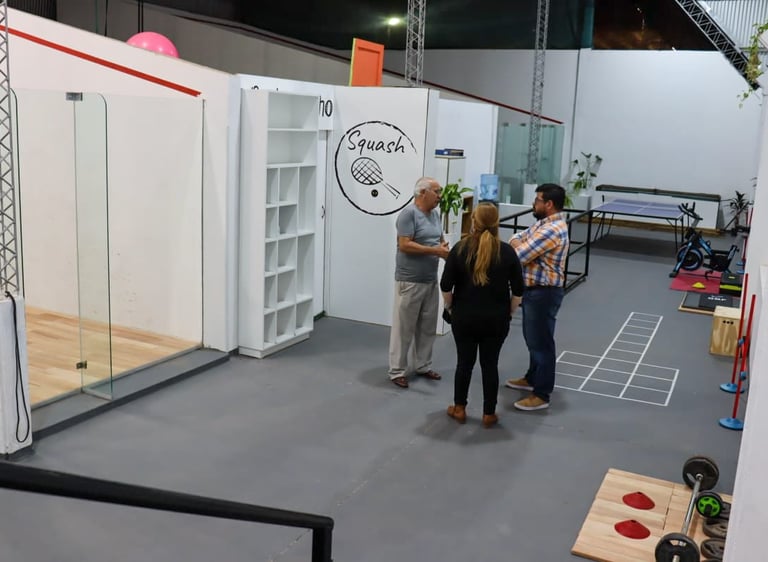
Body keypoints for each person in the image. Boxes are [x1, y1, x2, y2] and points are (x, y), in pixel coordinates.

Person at [441, 203, 524, 427]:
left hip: (464, 317)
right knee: (490, 365)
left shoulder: (460, 249)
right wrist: (509, 312)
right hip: (496, 320)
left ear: (474, 222)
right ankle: (489, 413)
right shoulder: (507, 252)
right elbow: (518, 291)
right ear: (496, 223)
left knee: (464, 364)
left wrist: (450, 307)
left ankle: (459, 408)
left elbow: (446, 286)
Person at [505, 183, 570, 411]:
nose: (534, 204)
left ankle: (541, 394)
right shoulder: (543, 224)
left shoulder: (552, 229)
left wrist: (521, 245)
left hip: (544, 293)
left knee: (541, 343)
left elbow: (517, 255)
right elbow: (516, 236)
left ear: (549, 204)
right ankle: (532, 378)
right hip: (536, 292)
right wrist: (521, 243)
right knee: (534, 339)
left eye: (537, 200)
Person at [388, 177, 450, 388]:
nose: (440, 196)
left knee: (427, 327)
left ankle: (423, 365)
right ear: (423, 193)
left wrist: (443, 249)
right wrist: (435, 251)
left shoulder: (435, 215)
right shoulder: (408, 214)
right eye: (436, 191)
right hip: (410, 281)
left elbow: (439, 240)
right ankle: (397, 371)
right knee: (404, 329)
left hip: (430, 279)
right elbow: (404, 245)